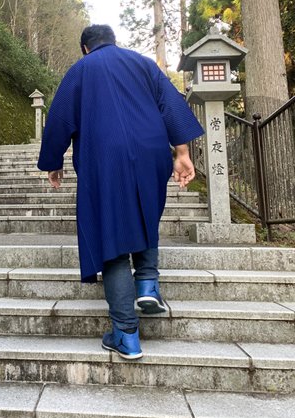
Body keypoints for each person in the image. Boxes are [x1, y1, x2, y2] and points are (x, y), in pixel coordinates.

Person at [37, 24, 204, 360]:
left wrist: (54, 161)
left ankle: (126, 334)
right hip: (152, 150)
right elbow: (170, 105)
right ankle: (147, 284)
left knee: (110, 235)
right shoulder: (143, 64)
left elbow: (59, 120)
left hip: (104, 156)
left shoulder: (81, 70)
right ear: (114, 41)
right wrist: (182, 153)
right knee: (144, 210)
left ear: (85, 47)